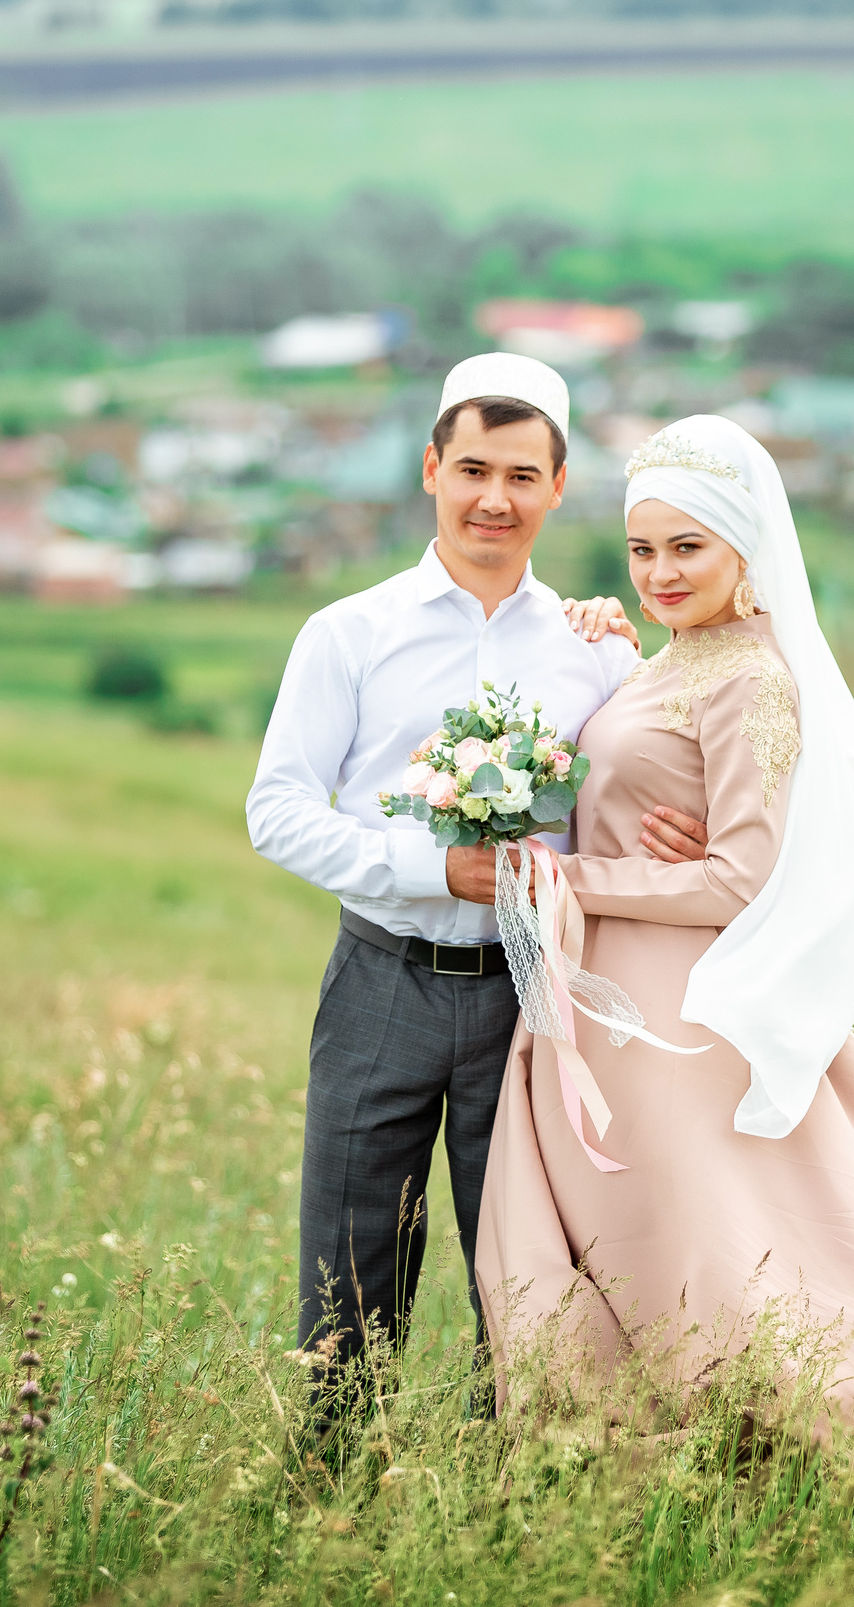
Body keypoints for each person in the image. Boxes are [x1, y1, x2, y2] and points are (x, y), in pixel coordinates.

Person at [475, 413, 854, 1456]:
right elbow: (646, 772)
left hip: (670, 1011)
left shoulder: (752, 678)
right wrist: (605, 641)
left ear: (743, 550)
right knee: (641, 1241)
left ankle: (809, 1440)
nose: (660, 571)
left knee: (696, 1251)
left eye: (686, 548)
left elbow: (737, 880)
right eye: (641, 549)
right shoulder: (672, 656)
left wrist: (564, 873)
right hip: (605, 996)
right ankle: (629, 1462)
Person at [247, 352, 708, 1428]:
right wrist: (430, 868)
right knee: (348, 1275)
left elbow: (630, 802)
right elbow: (276, 811)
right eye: (470, 469)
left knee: (531, 1274)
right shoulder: (348, 633)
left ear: (555, 487)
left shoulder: (595, 651)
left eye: (519, 474)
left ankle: (510, 1508)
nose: (491, 498)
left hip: (534, 994)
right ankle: (330, 1499)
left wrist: (669, 832)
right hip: (380, 980)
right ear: (430, 471)